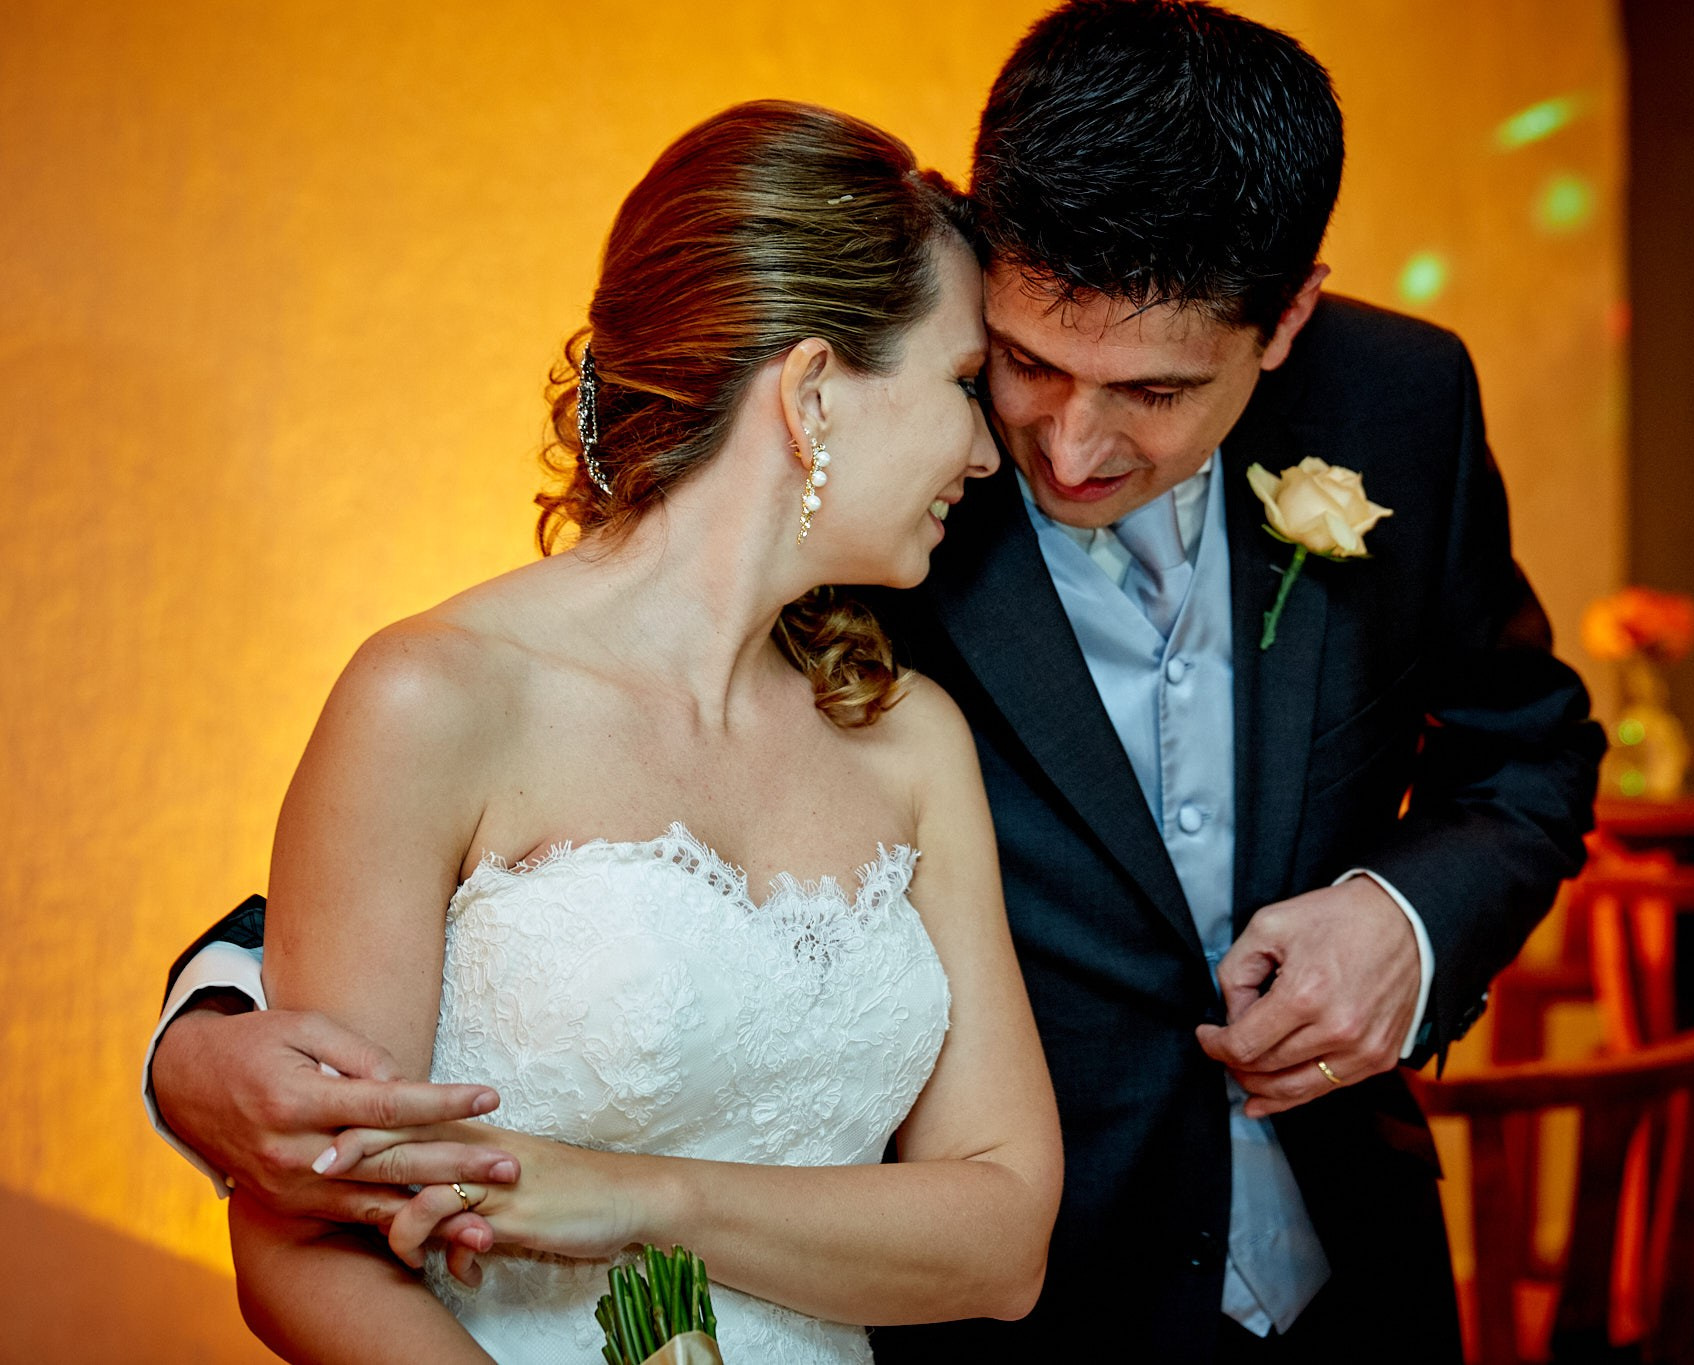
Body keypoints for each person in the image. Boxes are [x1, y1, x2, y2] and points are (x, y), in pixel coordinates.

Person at [147, 3, 1603, 1360]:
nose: (1062, 447)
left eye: (1156, 394)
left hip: (1353, 1275)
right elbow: (561, 760)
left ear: (1285, 322)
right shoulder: (857, 498)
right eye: (1020, 366)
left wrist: (1403, 920)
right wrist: (204, 1032)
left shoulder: (1400, 402)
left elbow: (1525, 754)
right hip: (1005, 1328)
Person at [198, 99, 1062, 1364]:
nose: (988, 451)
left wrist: (641, 1200)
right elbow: (302, 1241)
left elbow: (1004, 1245)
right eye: (963, 384)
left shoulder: (906, 739)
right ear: (814, 391)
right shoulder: (435, 699)